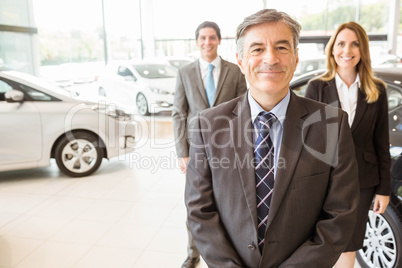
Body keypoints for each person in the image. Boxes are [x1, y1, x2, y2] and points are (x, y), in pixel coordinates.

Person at [185, 9, 360, 267]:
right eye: (256, 49)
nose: (271, 58)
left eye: (281, 47)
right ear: (241, 61)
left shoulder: (331, 123)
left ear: (296, 58)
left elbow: (340, 216)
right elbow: (199, 212)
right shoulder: (208, 126)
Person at [304, 21, 391, 268]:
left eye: (355, 44)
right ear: (332, 49)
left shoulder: (377, 91)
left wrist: (383, 189)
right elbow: (308, 142)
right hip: (324, 182)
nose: (347, 50)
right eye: (341, 43)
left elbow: (381, 142)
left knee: (349, 244)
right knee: (323, 243)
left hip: (363, 182)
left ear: (362, 50)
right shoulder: (317, 88)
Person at [172, 21, 247, 268]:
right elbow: (179, 114)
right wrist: (183, 152)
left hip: (229, 149)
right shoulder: (185, 73)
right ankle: (193, 254)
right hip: (195, 151)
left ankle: (226, 254)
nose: (207, 42)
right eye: (203, 38)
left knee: (228, 204)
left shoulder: (235, 71)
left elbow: (244, 111)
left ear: (219, 40)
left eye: (212, 38)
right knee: (197, 205)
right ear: (196, 41)